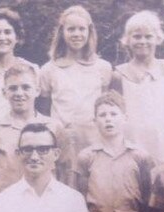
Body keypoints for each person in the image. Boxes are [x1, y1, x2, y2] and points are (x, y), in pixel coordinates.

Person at [75, 91, 154, 212]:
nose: (108, 120)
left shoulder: (140, 156)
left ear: (124, 118)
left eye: (113, 114)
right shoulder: (86, 157)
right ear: (95, 120)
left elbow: (146, 198)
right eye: (102, 115)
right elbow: (80, 196)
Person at [0, 61, 72, 212]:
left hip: (45, 207)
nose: (19, 93)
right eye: (13, 88)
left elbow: (65, 170)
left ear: (37, 91)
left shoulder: (54, 127)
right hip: (6, 207)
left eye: (26, 87)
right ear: (4, 92)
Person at [39, 5, 112, 154]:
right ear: (62, 32)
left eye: (81, 29)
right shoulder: (49, 69)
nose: (76, 34)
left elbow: (104, 106)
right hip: (61, 140)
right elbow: (44, 109)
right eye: (71, 29)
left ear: (89, 31)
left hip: (94, 140)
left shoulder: (103, 67)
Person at [111, 10, 164, 165]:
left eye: (148, 36)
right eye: (136, 36)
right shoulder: (119, 75)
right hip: (133, 145)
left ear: (158, 38)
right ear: (127, 40)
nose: (143, 41)